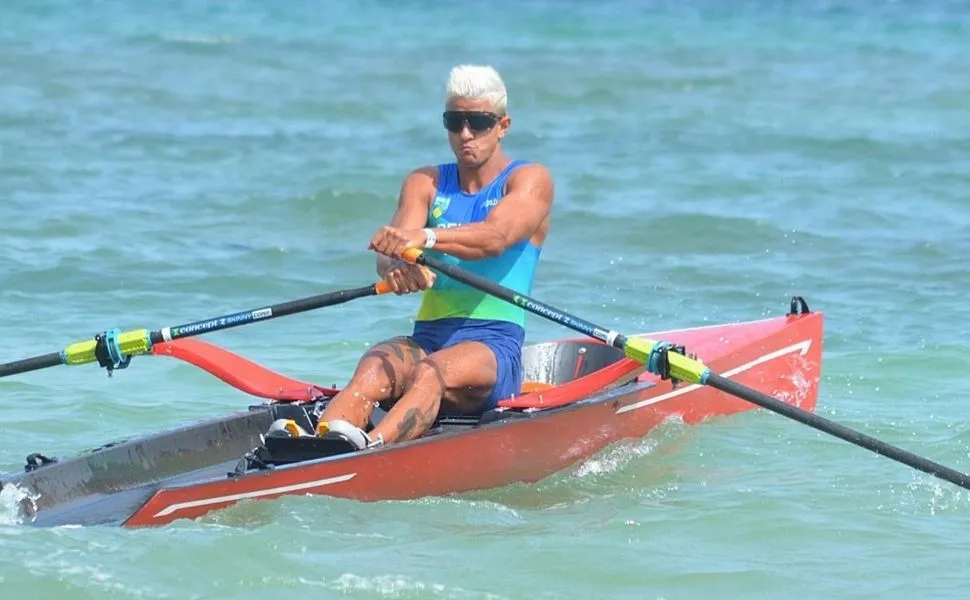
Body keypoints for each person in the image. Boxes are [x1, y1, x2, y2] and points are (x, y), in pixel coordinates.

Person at [316, 64, 555, 448]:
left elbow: (495, 238)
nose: (465, 134)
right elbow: (392, 250)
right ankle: (316, 447)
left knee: (431, 372)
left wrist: (424, 238)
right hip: (429, 337)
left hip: (493, 346)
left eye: (478, 122)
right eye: (454, 121)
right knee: (373, 366)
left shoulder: (528, 180)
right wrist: (399, 267)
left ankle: (371, 450)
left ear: (503, 125)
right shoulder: (425, 182)